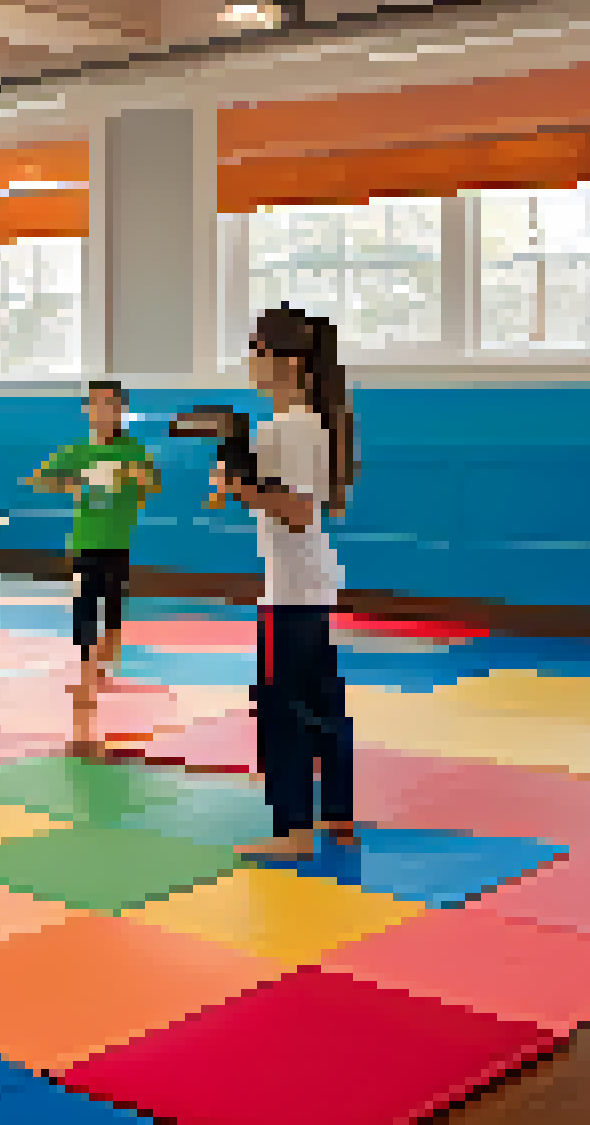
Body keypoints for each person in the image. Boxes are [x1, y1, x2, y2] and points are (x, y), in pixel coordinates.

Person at [214, 305, 361, 861]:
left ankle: (295, 830)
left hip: (292, 592)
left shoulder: (289, 426)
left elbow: (297, 510)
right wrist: (242, 480)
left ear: (286, 361)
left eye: (255, 351)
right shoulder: (305, 424)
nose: (249, 363)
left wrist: (243, 491)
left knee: (281, 709)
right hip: (309, 585)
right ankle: (339, 816)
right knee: (322, 703)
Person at [30, 381, 160, 743]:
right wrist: (69, 483)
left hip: (117, 545)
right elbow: (41, 480)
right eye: (99, 405)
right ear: (88, 410)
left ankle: (106, 654)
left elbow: (152, 485)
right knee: (85, 609)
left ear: (122, 411)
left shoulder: (132, 450)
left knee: (113, 613)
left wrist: (138, 476)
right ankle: (87, 674)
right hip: (84, 544)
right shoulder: (78, 451)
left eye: (112, 406)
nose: (105, 413)